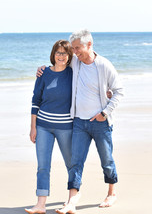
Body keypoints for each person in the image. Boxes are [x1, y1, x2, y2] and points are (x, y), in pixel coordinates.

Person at [37, 30, 124, 213]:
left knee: (106, 160)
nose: (74, 52)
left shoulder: (104, 65)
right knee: (76, 162)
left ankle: (111, 193)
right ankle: (71, 201)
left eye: (77, 48)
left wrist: (104, 113)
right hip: (78, 122)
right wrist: (42, 69)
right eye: (73, 49)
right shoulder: (75, 62)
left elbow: (118, 92)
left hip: (100, 123)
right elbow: (59, 64)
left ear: (89, 45)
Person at [24, 40, 74, 214]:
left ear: (70, 56)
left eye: (65, 53)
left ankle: (71, 201)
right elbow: (35, 101)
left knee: (71, 164)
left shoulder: (73, 72)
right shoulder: (43, 73)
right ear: (53, 54)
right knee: (43, 165)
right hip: (43, 126)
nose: (61, 56)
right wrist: (33, 127)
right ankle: (41, 204)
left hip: (66, 127)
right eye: (58, 53)